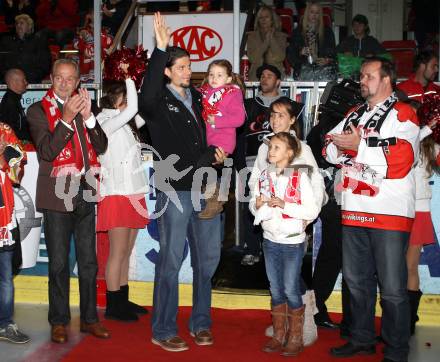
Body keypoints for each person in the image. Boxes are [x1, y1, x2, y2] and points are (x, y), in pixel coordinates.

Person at [138, 13, 226, 352]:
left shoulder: (199, 99)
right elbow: (145, 98)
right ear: (167, 71)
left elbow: (196, 144)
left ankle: (201, 322)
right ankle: (162, 329)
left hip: (202, 186)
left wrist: (213, 155)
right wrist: (159, 49)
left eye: (190, 67)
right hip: (173, 191)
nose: (189, 71)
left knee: (206, 261)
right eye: (182, 67)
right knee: (171, 261)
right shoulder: (158, 102)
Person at [324, 57, 420, 362]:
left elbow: (403, 157)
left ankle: (396, 350)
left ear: (386, 79)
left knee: (392, 289)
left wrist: (357, 148)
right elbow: (328, 146)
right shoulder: (355, 112)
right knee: (356, 283)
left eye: (368, 76)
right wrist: (351, 148)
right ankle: (362, 338)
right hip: (354, 209)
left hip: (389, 213)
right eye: (362, 76)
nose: (362, 81)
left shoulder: (405, 112)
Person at [27, 59, 110, 344]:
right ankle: (58, 321)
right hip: (56, 193)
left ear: (78, 82)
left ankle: (89, 319)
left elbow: (102, 146)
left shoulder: (85, 106)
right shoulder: (37, 110)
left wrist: (89, 119)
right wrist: (65, 118)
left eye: (70, 78)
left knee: (89, 262)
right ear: (51, 79)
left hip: (86, 189)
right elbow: (47, 152)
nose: (64, 83)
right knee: (60, 263)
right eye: (59, 78)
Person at [248, 97, 326, 347]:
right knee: (277, 281)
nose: (275, 119)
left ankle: (304, 325)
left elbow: (316, 186)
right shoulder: (264, 147)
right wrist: (257, 205)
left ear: (293, 120)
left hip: (294, 225)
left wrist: (306, 217)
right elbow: (256, 183)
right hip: (271, 225)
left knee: (293, 281)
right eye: (272, 114)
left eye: (281, 115)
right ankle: (283, 327)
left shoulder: (302, 148)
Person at [96, 73, 149, 322]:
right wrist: (130, 76)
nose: (131, 102)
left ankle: (123, 299)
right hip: (116, 193)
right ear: (116, 99)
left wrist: (142, 83)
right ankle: (113, 304)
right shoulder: (104, 123)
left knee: (126, 251)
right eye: (127, 98)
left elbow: (142, 112)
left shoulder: (125, 123)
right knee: (117, 252)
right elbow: (134, 110)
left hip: (133, 192)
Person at [235, 63, 282, 266]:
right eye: (262, 76)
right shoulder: (248, 105)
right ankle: (252, 248)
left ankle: (274, 249)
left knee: (278, 205)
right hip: (251, 163)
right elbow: (239, 136)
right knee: (251, 206)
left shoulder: (286, 106)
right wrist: (239, 164)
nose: (264, 79)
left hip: (279, 165)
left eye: (269, 76)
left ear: (278, 81)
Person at [198, 59, 245, 218]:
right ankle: (215, 198)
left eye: (219, 75)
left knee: (201, 166)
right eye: (211, 74)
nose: (214, 78)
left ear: (228, 79)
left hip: (222, 141)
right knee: (203, 167)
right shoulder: (204, 92)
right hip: (209, 141)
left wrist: (216, 121)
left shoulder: (233, 93)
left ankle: (214, 198)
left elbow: (239, 119)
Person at [0, 122, 29, 345]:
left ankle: (5, 324)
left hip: (2, 215)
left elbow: (18, 161)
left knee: (5, 276)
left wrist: (4, 153)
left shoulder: (4, 130)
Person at [286, 1, 336, 79]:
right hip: (303, 72)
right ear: (307, 13)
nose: (314, 15)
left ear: (320, 15)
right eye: (312, 12)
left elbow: (334, 54)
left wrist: (327, 60)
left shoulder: (327, 31)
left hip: (324, 72)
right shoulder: (297, 32)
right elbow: (290, 56)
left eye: (317, 12)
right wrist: (300, 52)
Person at [0, 14, 51, 84]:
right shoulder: (6, 42)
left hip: (32, 81)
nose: (18, 25)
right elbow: (2, 61)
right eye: (17, 23)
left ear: (29, 26)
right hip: (9, 82)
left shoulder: (39, 42)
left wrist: (28, 78)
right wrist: (8, 76)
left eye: (21, 23)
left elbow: (44, 64)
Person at [246, 5, 288, 81]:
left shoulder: (281, 36)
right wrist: (265, 43)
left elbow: (280, 57)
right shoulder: (252, 36)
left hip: (276, 78)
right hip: (256, 78)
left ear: (272, 19)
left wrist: (271, 39)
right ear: (258, 20)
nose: (263, 20)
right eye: (261, 18)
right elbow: (253, 58)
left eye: (266, 17)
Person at [0, 69, 32, 143]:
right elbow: (12, 131)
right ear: (13, 83)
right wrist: (33, 136)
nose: (26, 83)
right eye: (23, 80)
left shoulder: (13, 100)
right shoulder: (10, 103)